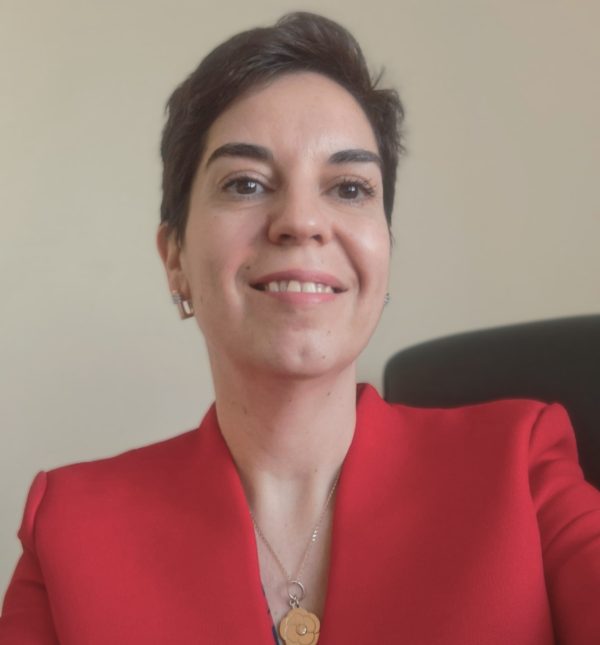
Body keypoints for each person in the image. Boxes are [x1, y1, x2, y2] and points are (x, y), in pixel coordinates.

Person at [1, 11, 599, 645]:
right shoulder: (68, 526)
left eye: (349, 188)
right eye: (246, 183)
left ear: (382, 250)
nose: (301, 222)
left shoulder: (520, 466)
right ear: (175, 258)